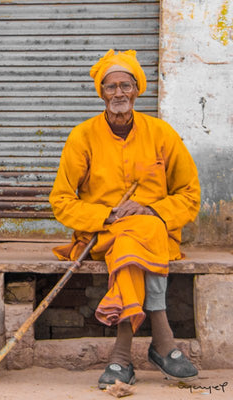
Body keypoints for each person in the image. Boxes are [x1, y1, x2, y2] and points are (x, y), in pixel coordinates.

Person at [49, 49, 201, 390]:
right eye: (111, 87)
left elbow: (189, 194)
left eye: (126, 85)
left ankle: (121, 356)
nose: (119, 93)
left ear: (137, 90)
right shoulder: (82, 136)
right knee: (132, 236)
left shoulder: (161, 133)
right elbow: (61, 200)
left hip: (155, 231)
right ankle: (163, 342)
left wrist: (151, 210)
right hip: (103, 234)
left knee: (138, 234)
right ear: (101, 93)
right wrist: (108, 214)